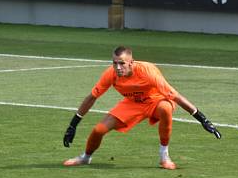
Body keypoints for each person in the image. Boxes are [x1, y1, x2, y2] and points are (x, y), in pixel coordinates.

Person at [62, 46, 221, 170]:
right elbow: (92, 98)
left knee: (166, 108)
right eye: (114, 63)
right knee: (98, 130)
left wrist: (203, 119)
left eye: (122, 63)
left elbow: (176, 96)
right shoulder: (111, 74)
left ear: (131, 62)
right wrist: (73, 125)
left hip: (155, 100)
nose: (117, 68)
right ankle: (86, 157)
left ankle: (164, 156)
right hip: (132, 103)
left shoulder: (147, 72)